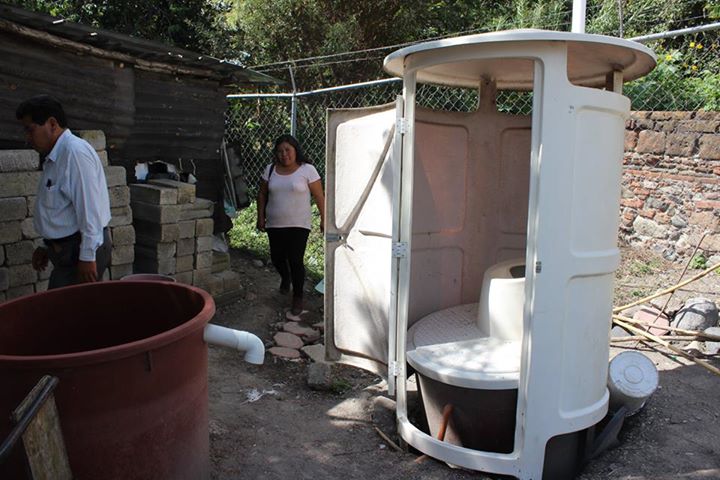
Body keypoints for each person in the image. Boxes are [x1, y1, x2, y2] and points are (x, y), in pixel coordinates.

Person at [16, 95, 112, 289]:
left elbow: (89, 209)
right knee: (71, 313)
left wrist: (87, 256)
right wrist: (48, 245)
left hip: (79, 253)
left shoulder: (74, 153)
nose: (27, 137)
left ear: (52, 124)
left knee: (66, 315)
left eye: (30, 129)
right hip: (67, 252)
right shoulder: (55, 157)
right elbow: (62, 209)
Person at [256, 134, 325, 317]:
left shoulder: (307, 170)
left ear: (295, 150)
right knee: (277, 258)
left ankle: (298, 296)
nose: (284, 154)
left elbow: (319, 196)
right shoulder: (270, 170)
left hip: (299, 224)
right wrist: (260, 216)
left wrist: (324, 219)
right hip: (275, 223)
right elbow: (262, 194)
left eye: (287, 150)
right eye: (280, 151)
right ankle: (285, 278)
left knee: (295, 259)